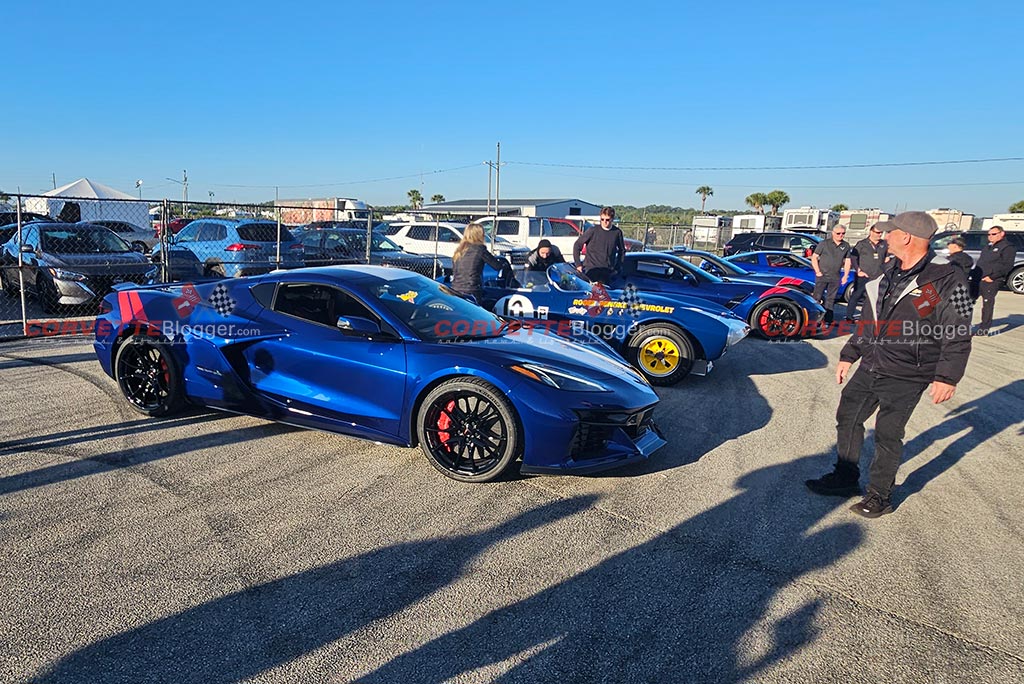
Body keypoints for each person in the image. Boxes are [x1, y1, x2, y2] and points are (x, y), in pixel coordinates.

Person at [805, 212, 972, 518]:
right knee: (848, 417)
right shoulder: (887, 272)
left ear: (906, 237)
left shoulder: (946, 278)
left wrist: (948, 375)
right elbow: (870, 322)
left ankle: (879, 495)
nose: (884, 236)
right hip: (871, 364)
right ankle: (844, 478)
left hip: (908, 372)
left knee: (887, 433)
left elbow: (957, 329)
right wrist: (849, 353)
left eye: (890, 232)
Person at [973, 225, 1018, 335]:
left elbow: (1007, 266)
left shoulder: (1007, 247)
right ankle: (961, 325)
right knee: (967, 301)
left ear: (1001, 234)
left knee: (987, 304)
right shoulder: (988, 247)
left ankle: (984, 328)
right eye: (989, 234)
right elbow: (981, 262)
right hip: (979, 279)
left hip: (991, 281)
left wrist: (992, 277)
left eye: (993, 234)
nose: (990, 236)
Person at [450, 223, 504, 304]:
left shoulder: (459, 251)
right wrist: (503, 263)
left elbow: (455, 271)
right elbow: (497, 266)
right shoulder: (480, 249)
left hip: (455, 288)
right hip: (472, 289)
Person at [844, 224, 888, 321]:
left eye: (881, 233)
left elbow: (887, 258)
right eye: (877, 232)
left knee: (872, 298)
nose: (880, 235)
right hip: (863, 275)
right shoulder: (862, 244)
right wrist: (858, 270)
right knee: (857, 295)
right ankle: (849, 316)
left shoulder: (884, 244)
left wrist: (885, 271)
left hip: (877, 276)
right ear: (871, 232)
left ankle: (867, 317)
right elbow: (854, 258)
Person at [810, 225, 852, 324]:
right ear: (833, 233)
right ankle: (814, 319)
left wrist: (845, 275)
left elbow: (847, 261)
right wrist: (818, 272)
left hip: (835, 276)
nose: (841, 235)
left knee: (831, 299)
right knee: (817, 297)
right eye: (838, 233)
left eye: (843, 233)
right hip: (822, 275)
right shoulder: (824, 243)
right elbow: (814, 257)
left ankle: (829, 320)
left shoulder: (845, 246)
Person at [573, 206, 625, 284]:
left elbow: (622, 250)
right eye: (602, 219)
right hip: (591, 270)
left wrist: (617, 268)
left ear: (612, 219)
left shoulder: (617, 232)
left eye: (607, 220)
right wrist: (578, 264)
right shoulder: (593, 230)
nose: (604, 222)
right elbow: (577, 245)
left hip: (607, 271)